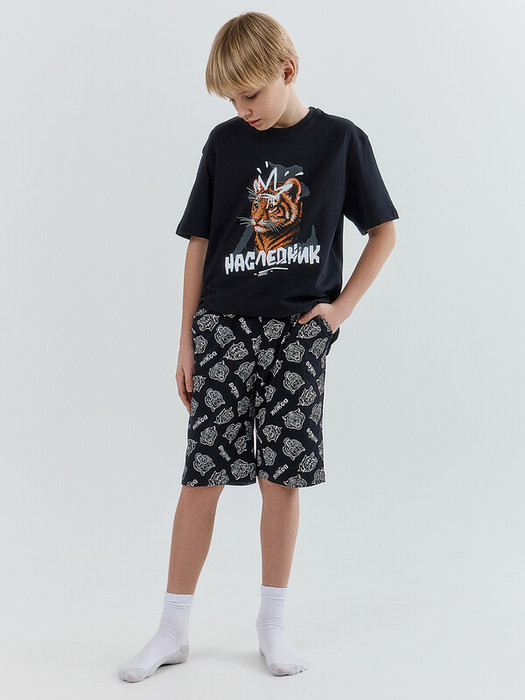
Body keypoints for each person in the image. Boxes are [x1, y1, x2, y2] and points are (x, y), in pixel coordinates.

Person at [118, 11, 399, 682]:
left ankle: (272, 625)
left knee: (282, 478)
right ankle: (172, 628)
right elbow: (199, 244)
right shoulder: (224, 143)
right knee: (203, 475)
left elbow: (383, 231)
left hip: (298, 336)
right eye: (231, 99)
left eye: (250, 95)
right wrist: (186, 341)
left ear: (287, 70)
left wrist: (338, 313)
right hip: (222, 330)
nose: (242, 110)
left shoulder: (340, 141)